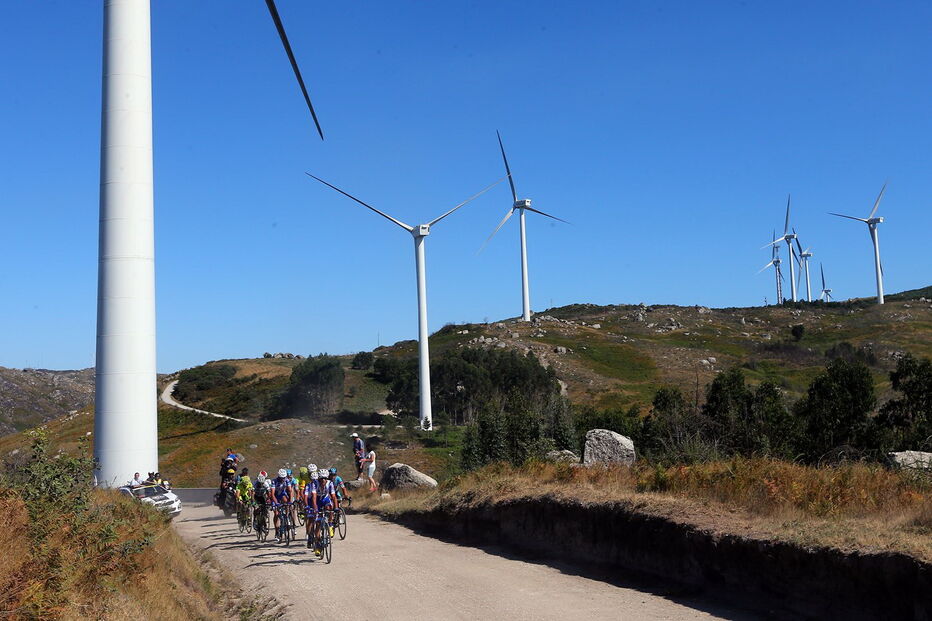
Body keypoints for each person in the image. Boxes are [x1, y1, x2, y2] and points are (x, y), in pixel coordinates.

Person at [270, 468, 294, 542]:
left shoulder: (287, 480)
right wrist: (276, 503)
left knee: (286, 502)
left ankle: (286, 517)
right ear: (279, 477)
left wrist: (290, 502)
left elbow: (290, 491)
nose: (283, 479)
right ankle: (277, 530)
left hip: (282, 494)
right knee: (276, 514)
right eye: (282, 478)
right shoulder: (274, 481)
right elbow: (272, 494)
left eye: (284, 478)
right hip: (275, 496)